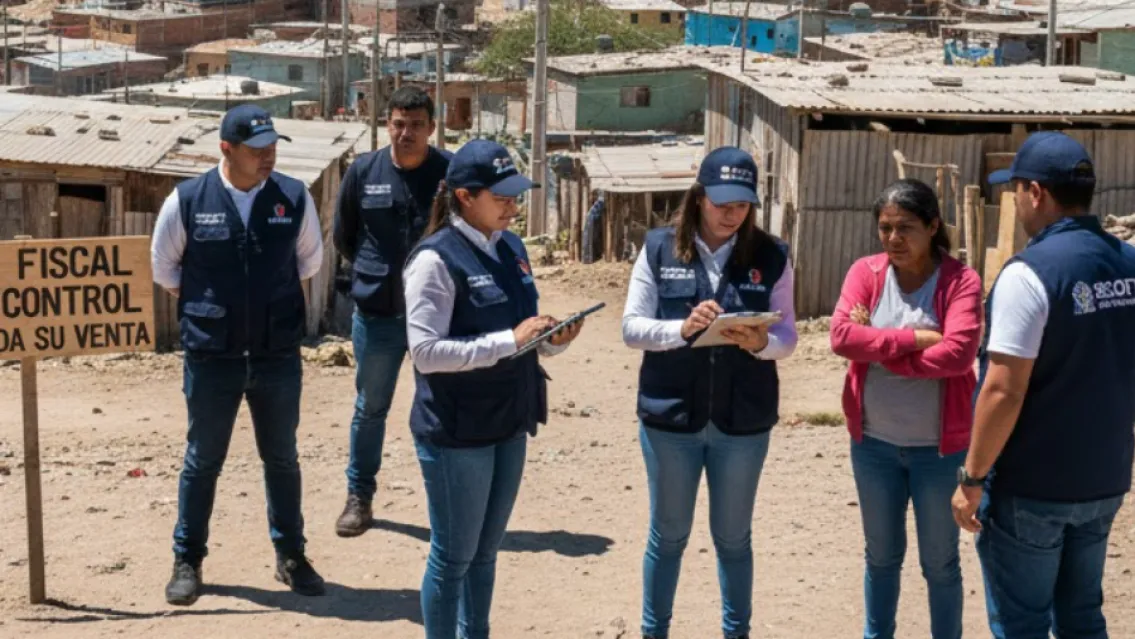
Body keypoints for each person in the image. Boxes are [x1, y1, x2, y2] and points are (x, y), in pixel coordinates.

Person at [952, 132, 1135, 638]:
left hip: (1033, 486)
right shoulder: (1128, 263)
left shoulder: (1029, 274)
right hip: (1103, 478)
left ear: (1036, 193)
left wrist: (971, 478)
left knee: (1022, 624)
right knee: (1082, 618)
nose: (1015, 202)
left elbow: (1003, 391)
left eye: (1015, 191)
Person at [404, 139, 585, 638]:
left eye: (515, 196)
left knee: (485, 553)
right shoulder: (435, 260)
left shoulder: (512, 248)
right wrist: (510, 340)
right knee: (453, 557)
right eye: (501, 197)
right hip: (457, 429)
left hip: (509, 417)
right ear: (465, 197)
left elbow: (524, 334)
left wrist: (552, 341)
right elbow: (425, 352)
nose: (513, 207)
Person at [151, 105, 325, 605]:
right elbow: (165, 270)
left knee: (282, 458)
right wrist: (217, 306)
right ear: (226, 149)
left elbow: (309, 262)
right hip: (213, 356)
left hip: (276, 354)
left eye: (273, 146)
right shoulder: (188, 199)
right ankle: (188, 560)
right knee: (203, 460)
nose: (268, 156)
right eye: (256, 149)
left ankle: (291, 556)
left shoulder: (293, 197)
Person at [622, 146, 797, 639]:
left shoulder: (773, 255)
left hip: (743, 422)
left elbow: (788, 336)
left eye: (741, 204)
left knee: (734, 539)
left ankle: (736, 633)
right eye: (721, 202)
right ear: (698, 197)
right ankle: (654, 631)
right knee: (668, 536)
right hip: (671, 419)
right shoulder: (658, 248)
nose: (731, 213)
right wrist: (681, 329)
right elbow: (632, 328)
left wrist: (761, 344)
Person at [830, 179, 983, 639]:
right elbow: (841, 337)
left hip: (939, 452)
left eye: (906, 228)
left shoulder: (961, 281)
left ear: (933, 226)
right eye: (885, 228)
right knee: (880, 558)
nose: (894, 238)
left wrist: (878, 349)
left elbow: (958, 355)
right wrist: (915, 339)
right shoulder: (866, 273)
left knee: (940, 562)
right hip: (874, 445)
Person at [332, 86, 450, 537]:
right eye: (399, 124)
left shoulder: (449, 173)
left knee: (441, 406)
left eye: (416, 125)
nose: (407, 133)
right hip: (378, 313)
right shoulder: (364, 171)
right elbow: (344, 236)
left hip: (437, 316)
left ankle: (448, 501)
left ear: (432, 127)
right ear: (387, 125)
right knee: (371, 408)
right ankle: (359, 497)